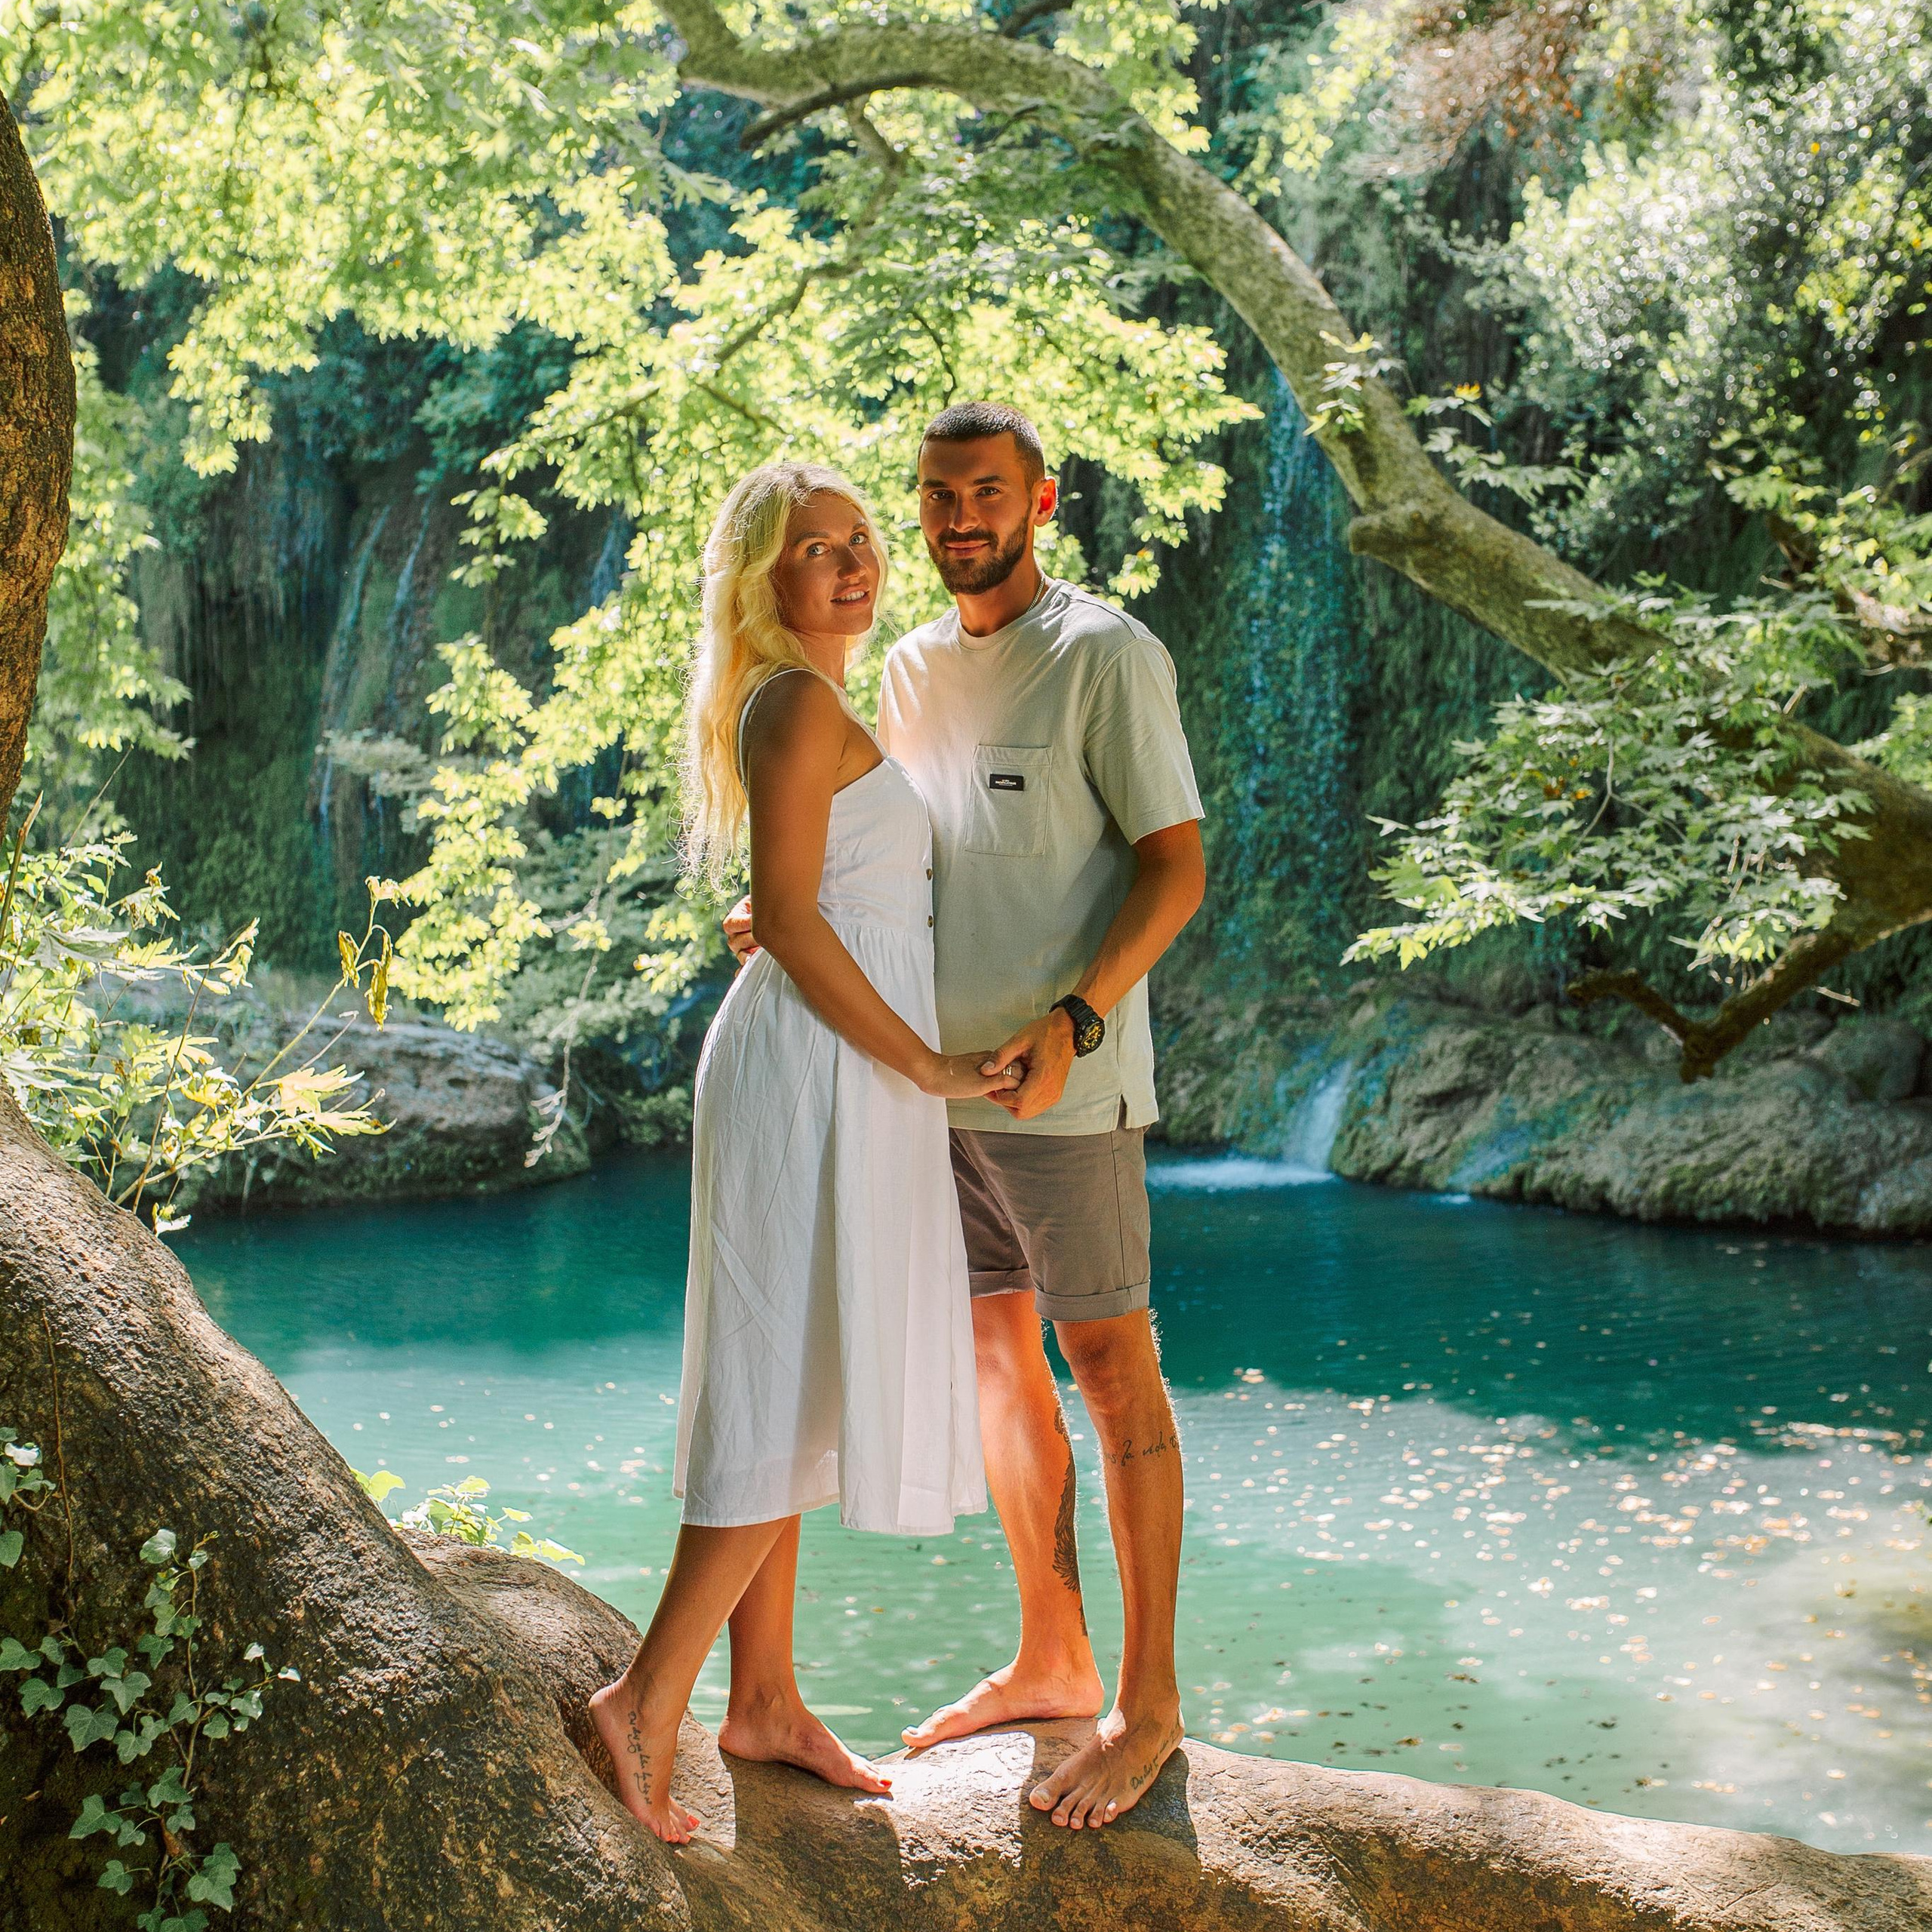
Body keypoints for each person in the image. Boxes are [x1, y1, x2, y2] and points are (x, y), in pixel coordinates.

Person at [728, 402, 1205, 1829]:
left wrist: (1076, 1023)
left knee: (1115, 1377)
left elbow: (1176, 871)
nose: (954, 521)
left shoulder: (1107, 656)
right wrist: (796, 917)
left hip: (1068, 1094)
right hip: (930, 1097)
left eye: (984, 494)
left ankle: (1154, 1707)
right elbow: (908, 860)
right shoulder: (913, 670)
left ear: (1042, 502)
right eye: (934, 498)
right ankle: (1052, 1654)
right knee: (1004, 1372)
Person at [590, 460, 1010, 1844]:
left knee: (808, 1374)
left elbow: (810, 902)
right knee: (780, 1376)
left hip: (845, 1063)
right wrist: (930, 1064)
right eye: (811, 548)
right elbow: (792, 914)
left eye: (859, 541)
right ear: (761, 580)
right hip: (819, 1070)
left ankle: (761, 1699)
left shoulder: (834, 704)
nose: (849, 563)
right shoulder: (788, 701)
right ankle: (643, 1697)